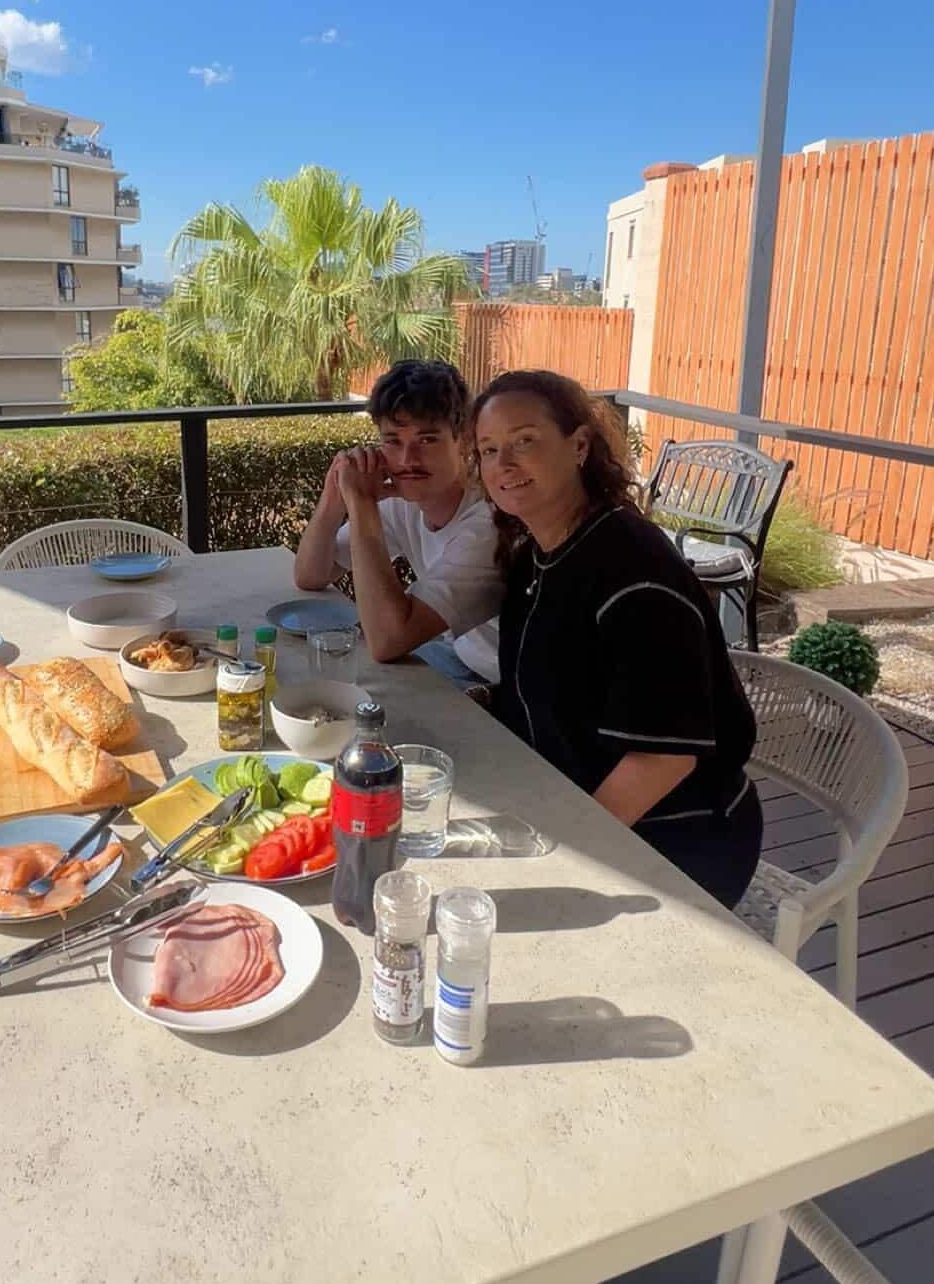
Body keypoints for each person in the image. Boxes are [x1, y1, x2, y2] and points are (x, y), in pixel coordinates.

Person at [469, 368, 762, 908]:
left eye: (524, 441)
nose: (503, 464)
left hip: (675, 839)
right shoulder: (537, 555)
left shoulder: (632, 571)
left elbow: (663, 759)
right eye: (488, 450)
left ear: (579, 445)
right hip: (573, 801)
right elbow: (549, 685)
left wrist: (565, 852)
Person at [294, 359, 503, 671]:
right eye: (393, 441)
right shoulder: (403, 503)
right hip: (454, 655)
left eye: (427, 440)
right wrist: (334, 496)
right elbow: (311, 575)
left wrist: (362, 505)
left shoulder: (489, 522)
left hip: (499, 684)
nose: (408, 459)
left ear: (464, 440)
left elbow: (388, 640)